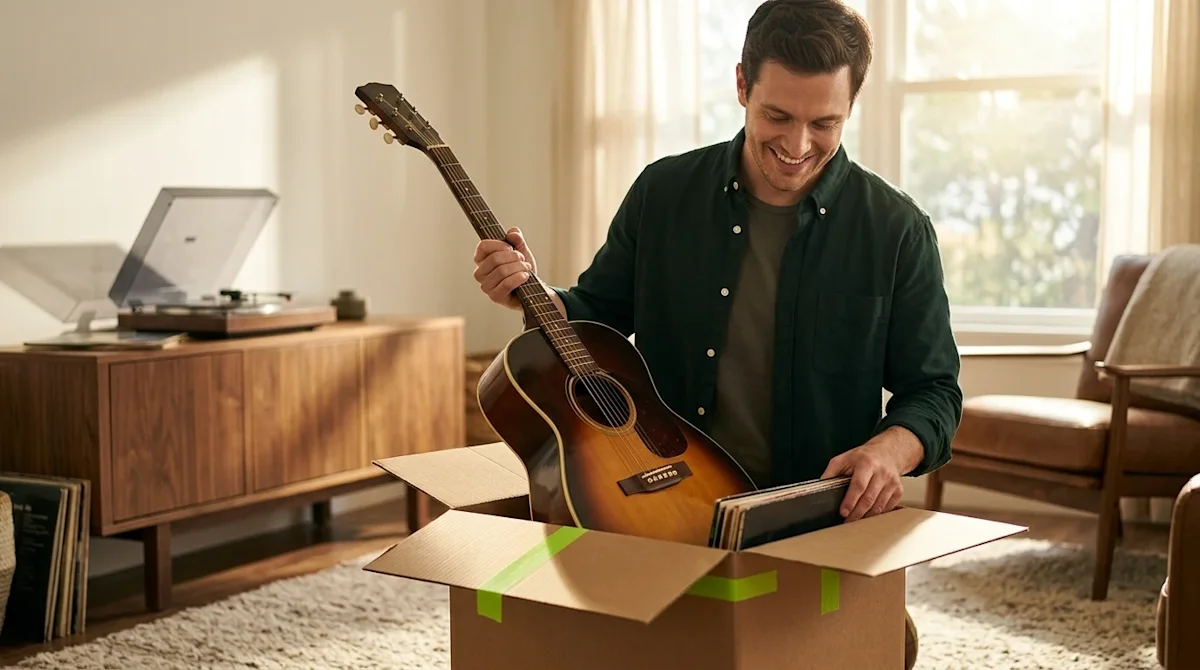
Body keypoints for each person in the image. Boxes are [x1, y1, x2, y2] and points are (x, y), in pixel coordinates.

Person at [473, 2, 959, 667]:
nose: (797, 146)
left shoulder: (897, 230)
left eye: (825, 123)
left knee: (879, 647)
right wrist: (530, 290)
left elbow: (932, 391)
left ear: (853, 104)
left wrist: (888, 453)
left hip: (809, 522)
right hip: (663, 507)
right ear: (741, 85)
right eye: (777, 117)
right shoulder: (663, 193)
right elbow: (594, 319)